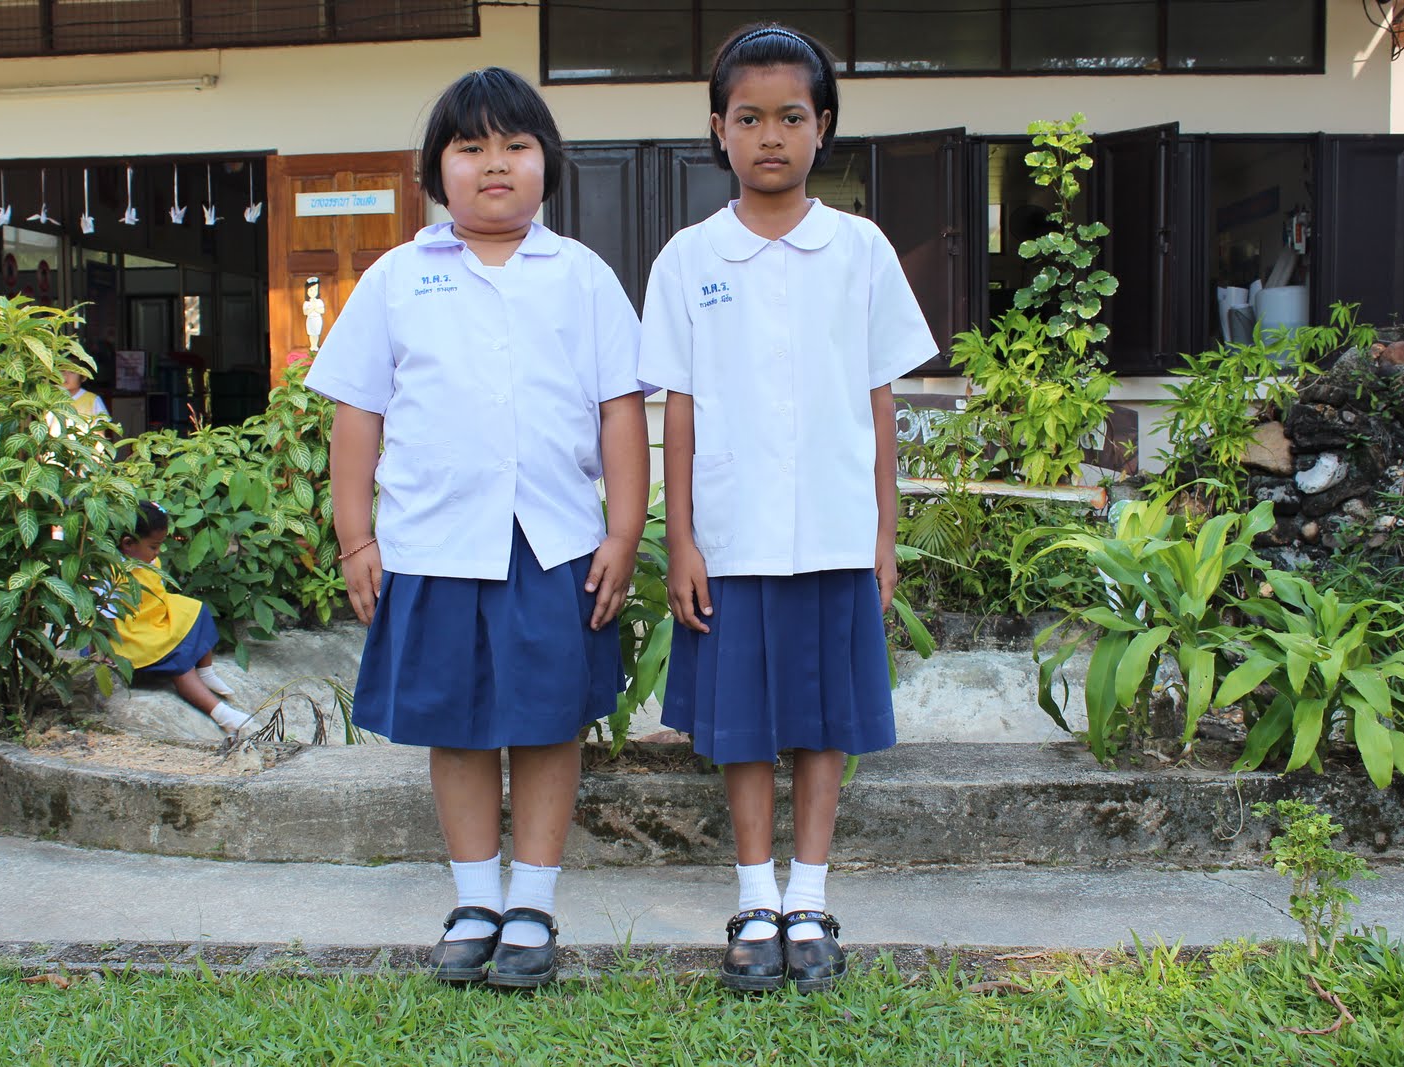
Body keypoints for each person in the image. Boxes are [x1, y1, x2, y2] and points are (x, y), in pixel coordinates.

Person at [307, 67, 649, 989]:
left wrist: (623, 533)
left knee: (549, 724)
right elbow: (358, 416)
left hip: (554, 544)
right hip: (433, 543)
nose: (494, 163)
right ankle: (473, 900)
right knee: (456, 727)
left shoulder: (583, 277)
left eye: (515, 145)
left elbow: (621, 411)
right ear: (435, 171)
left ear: (548, 163)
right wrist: (356, 538)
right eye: (471, 147)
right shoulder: (395, 279)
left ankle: (531, 901)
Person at [637, 24, 938, 993]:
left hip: (836, 532)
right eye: (749, 117)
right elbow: (679, 412)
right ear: (717, 129)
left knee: (822, 719)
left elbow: (880, 401)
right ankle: (754, 896)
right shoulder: (689, 258)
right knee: (740, 723)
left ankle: (809, 896)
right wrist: (682, 537)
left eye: (792, 117)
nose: (770, 135)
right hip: (732, 539)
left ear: (824, 127)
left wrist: (885, 532)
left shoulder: (859, 249)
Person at [112, 501, 251, 736]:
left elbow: (156, 592)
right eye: (153, 546)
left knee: (197, 610)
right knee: (180, 661)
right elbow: (102, 615)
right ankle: (221, 714)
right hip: (130, 634)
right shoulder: (111, 571)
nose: (157, 552)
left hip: (152, 617)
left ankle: (206, 672)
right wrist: (101, 652)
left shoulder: (147, 560)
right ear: (128, 544)